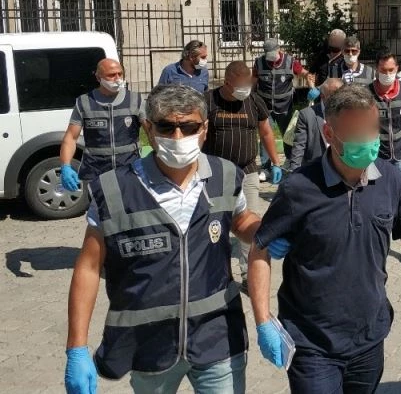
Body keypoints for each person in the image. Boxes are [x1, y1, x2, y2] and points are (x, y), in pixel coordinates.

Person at [248, 85, 401, 393]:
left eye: (371, 130)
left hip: (369, 339)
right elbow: (259, 249)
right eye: (355, 134)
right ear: (329, 133)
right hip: (312, 343)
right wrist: (263, 321)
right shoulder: (298, 188)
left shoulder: (391, 180)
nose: (366, 141)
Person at [64, 84, 264, 394]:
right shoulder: (114, 189)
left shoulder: (226, 175)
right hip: (149, 347)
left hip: (218, 339)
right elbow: (89, 268)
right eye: (166, 127)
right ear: (148, 128)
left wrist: (270, 230)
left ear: (205, 128)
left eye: (189, 127)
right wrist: (76, 347)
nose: (178, 136)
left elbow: (240, 220)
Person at [203, 61, 282, 292]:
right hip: (215, 175)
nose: (244, 90)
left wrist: (276, 162)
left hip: (247, 171)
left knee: (250, 223)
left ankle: (248, 275)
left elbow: (266, 131)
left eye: (247, 84)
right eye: (240, 86)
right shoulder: (208, 101)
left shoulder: (254, 101)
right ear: (226, 82)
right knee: (216, 226)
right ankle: (219, 274)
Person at [60, 58, 143, 193]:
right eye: (111, 75)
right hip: (95, 172)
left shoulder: (135, 100)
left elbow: (152, 131)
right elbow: (71, 137)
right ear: (98, 78)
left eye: (120, 74)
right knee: (98, 206)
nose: (117, 79)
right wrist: (65, 166)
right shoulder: (84, 102)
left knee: (130, 206)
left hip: (129, 170)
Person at [253, 38, 307, 180]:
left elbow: (305, 74)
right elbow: (253, 81)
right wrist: (251, 98)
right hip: (265, 107)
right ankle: (266, 168)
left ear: (279, 50)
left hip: (285, 107)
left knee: (288, 136)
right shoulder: (259, 62)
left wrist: (312, 87)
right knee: (265, 136)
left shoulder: (290, 61)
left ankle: (289, 161)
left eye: (273, 54)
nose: (270, 58)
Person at [366, 51, 401, 185]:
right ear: (377, 69)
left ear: (397, 68)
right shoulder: (367, 93)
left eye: (391, 70)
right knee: (379, 192)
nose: (387, 74)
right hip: (377, 155)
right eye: (383, 70)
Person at [287, 78, 343, 171]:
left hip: (343, 168)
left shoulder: (348, 113)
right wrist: (294, 171)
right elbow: (299, 146)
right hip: (317, 169)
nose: (338, 99)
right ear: (322, 96)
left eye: (341, 95)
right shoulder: (307, 115)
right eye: (333, 95)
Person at [306, 28, 346, 100]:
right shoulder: (322, 57)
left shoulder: (345, 59)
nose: (334, 43)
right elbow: (310, 74)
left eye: (337, 40)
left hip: (339, 97)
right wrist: (312, 88)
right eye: (332, 40)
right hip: (321, 96)